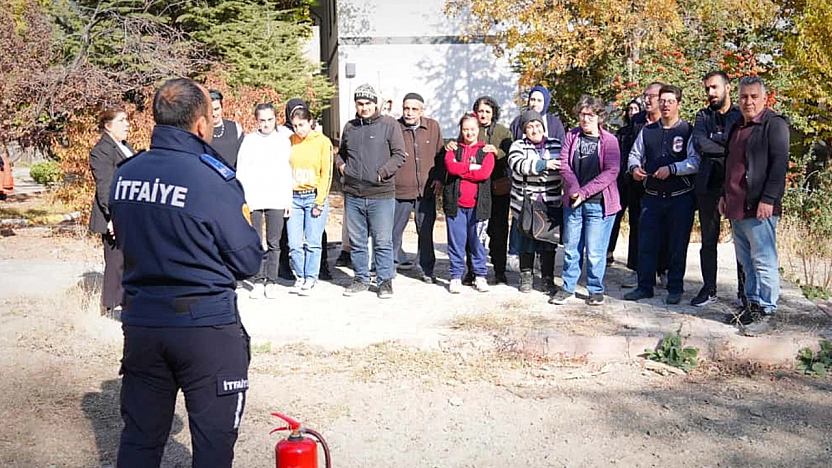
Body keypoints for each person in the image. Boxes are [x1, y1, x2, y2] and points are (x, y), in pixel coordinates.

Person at [110, 78, 262, 468]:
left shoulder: (126, 174)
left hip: (143, 324)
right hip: (205, 329)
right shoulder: (212, 179)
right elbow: (247, 261)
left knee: (140, 441)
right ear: (199, 124)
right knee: (213, 447)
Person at [720, 75, 789, 335]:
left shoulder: (774, 125)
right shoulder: (737, 126)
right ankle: (752, 306)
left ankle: (767, 309)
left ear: (764, 98)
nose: (748, 101)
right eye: (744, 97)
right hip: (736, 205)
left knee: (763, 260)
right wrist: (723, 197)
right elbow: (730, 166)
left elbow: (779, 165)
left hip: (760, 206)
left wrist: (768, 199)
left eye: (753, 97)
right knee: (745, 261)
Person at [624, 85, 700, 304]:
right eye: (662, 101)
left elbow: (695, 162)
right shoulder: (647, 131)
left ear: (678, 104)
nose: (665, 105)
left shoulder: (688, 130)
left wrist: (673, 169)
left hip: (680, 196)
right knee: (646, 243)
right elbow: (634, 156)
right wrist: (634, 169)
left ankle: (675, 288)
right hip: (652, 196)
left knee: (677, 245)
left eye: (670, 101)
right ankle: (644, 286)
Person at [336, 83, 407, 299]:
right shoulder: (350, 127)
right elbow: (341, 154)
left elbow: (399, 155)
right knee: (357, 241)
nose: (364, 107)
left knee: (382, 241)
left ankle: (385, 282)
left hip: (381, 194)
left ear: (375, 103)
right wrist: (342, 166)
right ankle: (360, 279)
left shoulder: (389, 125)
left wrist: (381, 173)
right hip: (354, 194)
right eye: (360, 103)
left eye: (368, 103)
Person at [550, 96, 621, 306]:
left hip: (599, 204)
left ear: (599, 116)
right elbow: (564, 164)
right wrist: (574, 190)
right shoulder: (572, 136)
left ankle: (595, 289)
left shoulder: (609, 141)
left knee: (595, 251)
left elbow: (612, 171)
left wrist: (584, 192)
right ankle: (567, 287)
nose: (585, 118)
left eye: (590, 115)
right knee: (571, 248)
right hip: (573, 203)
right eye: (582, 114)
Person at [690, 71, 745, 307]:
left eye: (714, 87)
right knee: (708, 241)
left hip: (736, 185)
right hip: (707, 184)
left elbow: (741, 145)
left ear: (728, 88)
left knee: (742, 242)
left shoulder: (740, 115)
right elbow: (700, 143)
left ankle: (745, 291)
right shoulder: (703, 116)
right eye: (707, 89)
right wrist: (728, 148)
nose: (710, 93)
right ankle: (709, 288)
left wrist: (721, 144)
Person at [448, 96, 514, 284]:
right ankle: (472, 271)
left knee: (498, 231)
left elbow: (511, 153)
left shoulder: (503, 131)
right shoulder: (469, 129)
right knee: (472, 232)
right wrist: (450, 145)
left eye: (487, 111)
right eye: (480, 111)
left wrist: (496, 152)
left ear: (493, 113)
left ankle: (499, 271)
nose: (483, 114)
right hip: (474, 189)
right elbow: (458, 150)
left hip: (496, 187)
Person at [236, 102, 293, 299]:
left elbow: (287, 171)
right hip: (254, 197)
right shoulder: (249, 141)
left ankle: (272, 280)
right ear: (256, 121)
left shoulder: (283, 141)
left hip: (276, 197)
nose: (267, 124)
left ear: (275, 119)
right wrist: (244, 198)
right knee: (256, 241)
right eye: (262, 120)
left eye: (270, 119)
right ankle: (258, 279)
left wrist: (288, 199)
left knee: (274, 242)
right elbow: (241, 171)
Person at [507, 110, 563, 293]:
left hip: (550, 201)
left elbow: (565, 166)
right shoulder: (517, 145)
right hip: (525, 203)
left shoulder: (556, 144)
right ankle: (526, 276)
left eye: (537, 125)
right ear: (524, 130)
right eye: (530, 127)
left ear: (543, 127)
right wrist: (543, 165)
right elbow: (518, 165)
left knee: (548, 242)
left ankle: (547, 278)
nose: (534, 130)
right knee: (526, 240)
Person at [392, 92, 445, 283]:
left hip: (426, 192)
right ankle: (389, 268)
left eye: (414, 109)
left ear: (422, 110)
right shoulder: (395, 127)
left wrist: (440, 178)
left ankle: (426, 269)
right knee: (394, 232)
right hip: (400, 191)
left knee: (425, 232)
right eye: (406, 108)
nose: (409, 112)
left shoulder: (432, 127)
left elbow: (440, 155)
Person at [278, 99, 332, 280]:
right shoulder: (289, 142)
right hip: (294, 197)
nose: (298, 129)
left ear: (310, 122)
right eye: (294, 126)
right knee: (294, 243)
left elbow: (326, 173)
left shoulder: (323, 142)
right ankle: (301, 276)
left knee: (313, 242)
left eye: (302, 125)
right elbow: (284, 171)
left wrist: (320, 201)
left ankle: (311, 278)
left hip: (313, 196)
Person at [88, 106, 135, 314]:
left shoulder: (126, 146)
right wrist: (113, 217)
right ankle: (110, 307)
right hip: (114, 214)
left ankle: (127, 303)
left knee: (130, 260)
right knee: (115, 261)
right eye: (122, 120)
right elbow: (105, 188)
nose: (127, 124)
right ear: (108, 126)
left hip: (131, 211)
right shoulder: (101, 151)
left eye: (127, 120)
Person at [621, 82, 667, 288]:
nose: (647, 100)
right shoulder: (637, 121)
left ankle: (663, 269)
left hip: (662, 183)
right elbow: (629, 149)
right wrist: (631, 170)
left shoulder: (669, 121)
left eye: (652, 96)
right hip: (638, 183)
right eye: (645, 96)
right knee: (637, 225)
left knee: (663, 227)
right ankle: (636, 269)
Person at [444, 112, 495, 293]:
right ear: (461, 130)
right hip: (456, 205)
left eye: (472, 129)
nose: (469, 133)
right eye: (465, 129)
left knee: (478, 242)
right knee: (456, 242)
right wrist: (471, 167)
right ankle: (456, 276)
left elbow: (484, 173)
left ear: (478, 130)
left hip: (478, 206)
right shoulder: (453, 149)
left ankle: (480, 275)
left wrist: (462, 169)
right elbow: (451, 167)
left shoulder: (486, 151)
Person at [607, 97, 643, 265]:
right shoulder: (622, 133)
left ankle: (633, 261)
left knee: (637, 222)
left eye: (636, 109)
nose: (632, 112)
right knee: (614, 217)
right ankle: (608, 251)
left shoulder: (644, 131)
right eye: (630, 109)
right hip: (621, 181)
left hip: (637, 182)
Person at [208, 89, 244, 168]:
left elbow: (243, 158)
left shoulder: (235, 128)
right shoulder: (201, 131)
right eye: (210, 110)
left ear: (222, 108)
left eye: (216, 109)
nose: (214, 114)